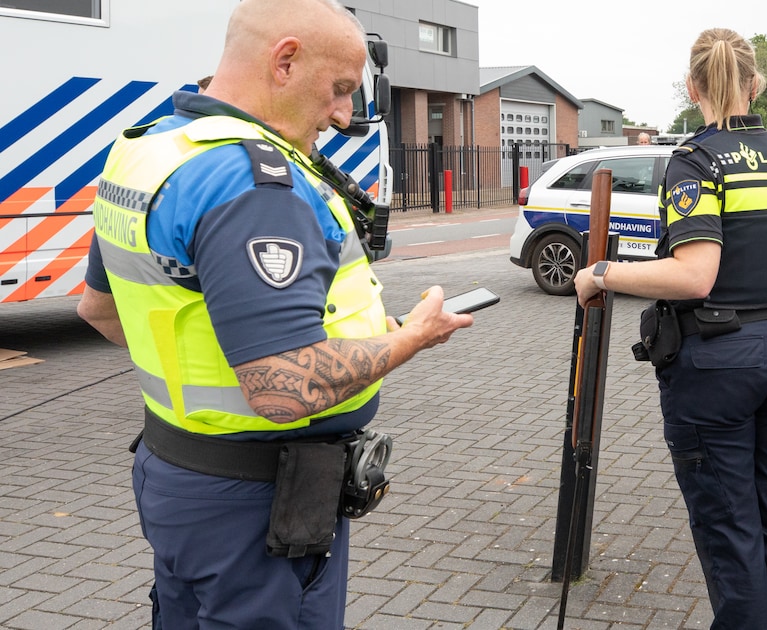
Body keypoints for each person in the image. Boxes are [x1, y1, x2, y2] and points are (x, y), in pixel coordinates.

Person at [75, 0, 473, 627]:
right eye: (341, 89)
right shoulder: (255, 184)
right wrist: (413, 339)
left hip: (175, 476)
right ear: (284, 61)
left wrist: (203, 377)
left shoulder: (151, 152)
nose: (345, 114)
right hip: (257, 508)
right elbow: (283, 388)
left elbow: (99, 308)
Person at [575, 27, 767, 630]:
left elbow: (695, 276)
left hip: (719, 360)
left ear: (693, 86)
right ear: (754, 82)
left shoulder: (696, 160)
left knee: (730, 525)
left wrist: (603, 273)